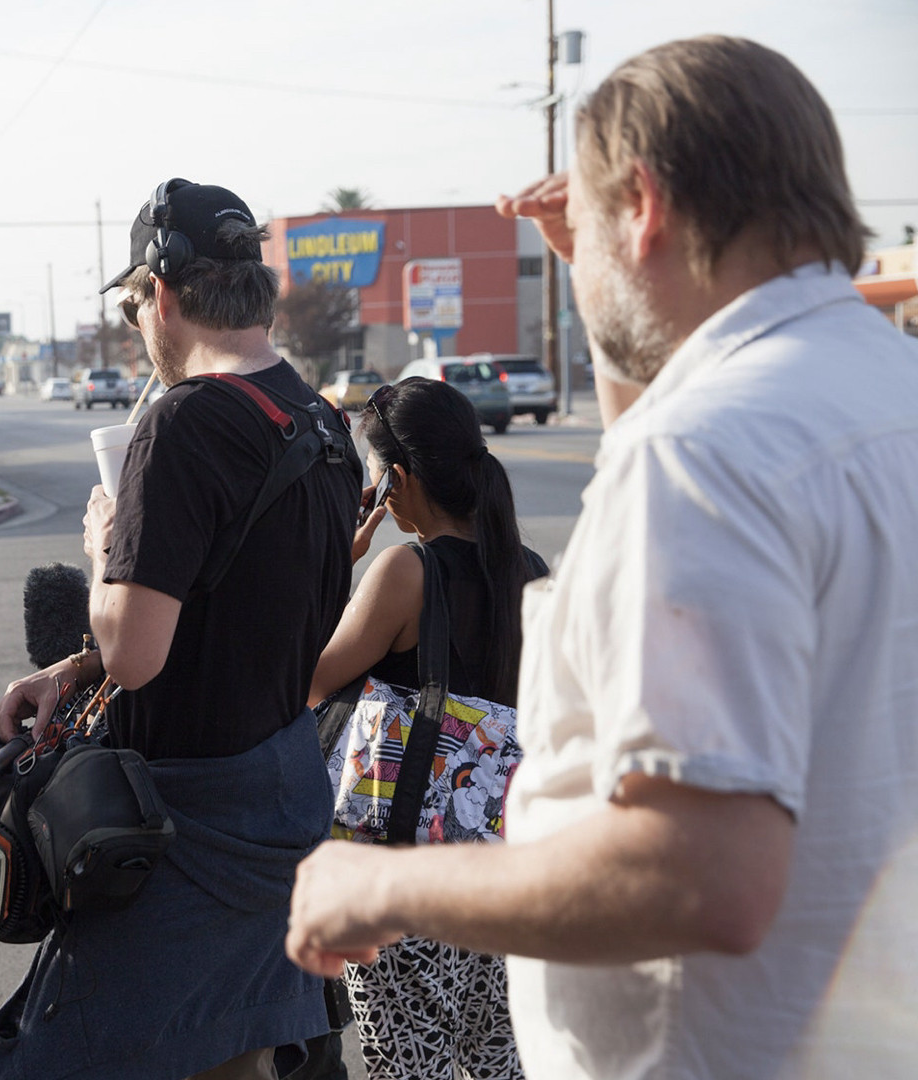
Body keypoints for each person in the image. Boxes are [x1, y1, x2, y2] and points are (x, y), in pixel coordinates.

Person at [286, 35, 918, 1079]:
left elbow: (702, 877)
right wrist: (595, 272)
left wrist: (381, 885)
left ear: (646, 206)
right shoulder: (880, 392)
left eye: (588, 225)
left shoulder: (702, 453)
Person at [0, 179, 361, 1080]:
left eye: (129, 308)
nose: (135, 328)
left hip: (192, 820)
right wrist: (78, 667)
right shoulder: (322, 421)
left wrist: (106, 547)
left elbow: (136, 653)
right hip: (285, 790)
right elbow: (253, 615)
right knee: (232, 1058)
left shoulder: (183, 424)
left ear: (160, 293)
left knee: (38, 1064)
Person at [305, 376, 549, 1080]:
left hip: (409, 881)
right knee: (501, 1065)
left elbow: (308, 683)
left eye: (377, 477)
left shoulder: (406, 572)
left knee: (410, 1068)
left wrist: (338, 561)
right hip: (506, 873)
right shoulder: (529, 571)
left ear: (400, 479)